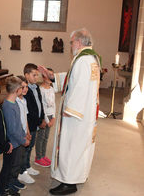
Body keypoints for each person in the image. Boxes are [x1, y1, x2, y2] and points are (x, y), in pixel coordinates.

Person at [49, 28, 101, 195]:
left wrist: (71, 109)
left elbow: (79, 87)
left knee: (71, 147)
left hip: (76, 116)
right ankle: (78, 176)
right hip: (85, 114)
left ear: (78, 42)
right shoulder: (91, 59)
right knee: (79, 148)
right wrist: (53, 76)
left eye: (71, 42)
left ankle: (69, 182)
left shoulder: (83, 60)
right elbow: (74, 78)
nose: (70, 45)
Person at [2, 76, 30, 196]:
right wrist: (22, 140)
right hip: (14, 143)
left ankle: (12, 182)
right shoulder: (8, 106)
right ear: (16, 90)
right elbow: (12, 129)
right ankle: (8, 186)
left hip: (19, 140)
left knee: (17, 164)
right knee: (11, 166)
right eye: (21, 87)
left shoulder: (14, 103)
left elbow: (19, 123)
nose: (23, 89)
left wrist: (24, 135)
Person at [16, 76, 35, 184]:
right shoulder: (17, 101)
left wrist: (27, 131)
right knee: (19, 156)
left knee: (24, 153)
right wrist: (23, 134)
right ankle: (21, 173)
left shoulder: (24, 100)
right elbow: (18, 120)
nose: (25, 89)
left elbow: (25, 117)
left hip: (25, 131)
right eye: (22, 87)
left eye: (26, 87)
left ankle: (24, 171)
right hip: (19, 133)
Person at [36, 68, 56, 167]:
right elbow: (42, 105)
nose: (50, 77)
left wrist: (54, 117)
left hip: (51, 116)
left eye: (52, 75)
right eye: (48, 75)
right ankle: (38, 157)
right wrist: (47, 120)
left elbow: (54, 103)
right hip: (44, 116)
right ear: (44, 76)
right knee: (41, 137)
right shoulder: (41, 89)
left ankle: (43, 156)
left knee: (46, 137)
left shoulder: (52, 89)